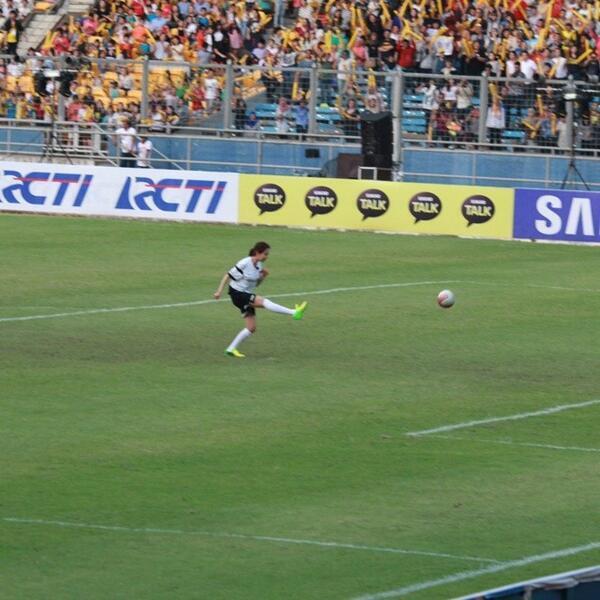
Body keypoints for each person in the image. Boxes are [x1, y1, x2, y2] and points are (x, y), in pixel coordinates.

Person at [213, 241, 308, 358]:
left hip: (245, 294)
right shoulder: (244, 263)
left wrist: (263, 276)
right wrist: (219, 291)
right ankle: (294, 312)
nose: (267, 257)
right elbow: (227, 275)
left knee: (251, 328)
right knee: (264, 302)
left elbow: (256, 284)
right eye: (265, 254)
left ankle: (231, 349)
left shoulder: (259, 266)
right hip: (237, 293)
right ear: (258, 252)